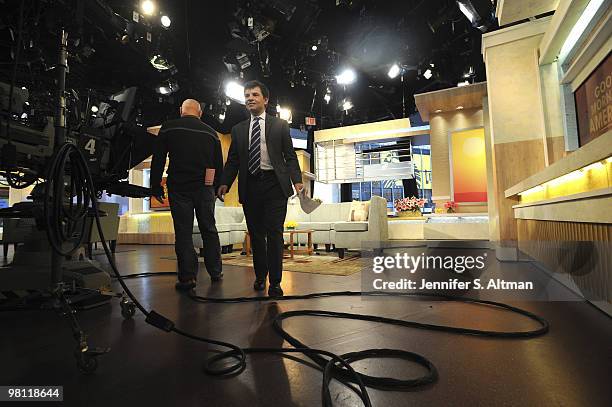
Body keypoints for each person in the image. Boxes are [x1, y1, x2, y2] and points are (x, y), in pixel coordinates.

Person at [217, 80, 303, 297]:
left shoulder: (280, 125)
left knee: (275, 234)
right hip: (250, 186)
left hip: (275, 185)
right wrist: (225, 182)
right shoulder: (238, 130)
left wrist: (297, 180)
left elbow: (290, 156)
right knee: (256, 236)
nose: (250, 98)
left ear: (265, 99)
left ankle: (275, 282)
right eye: (247, 95)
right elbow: (233, 161)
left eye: (255, 94)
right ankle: (259, 276)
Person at [150, 99, 223, 290]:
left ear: (181, 111)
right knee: (209, 228)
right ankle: (216, 271)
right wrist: (216, 187)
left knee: (183, 232)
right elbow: (218, 164)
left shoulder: (169, 128)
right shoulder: (211, 133)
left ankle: (188, 277)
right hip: (204, 189)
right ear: (199, 113)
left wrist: (155, 186)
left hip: (179, 187)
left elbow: (158, 158)